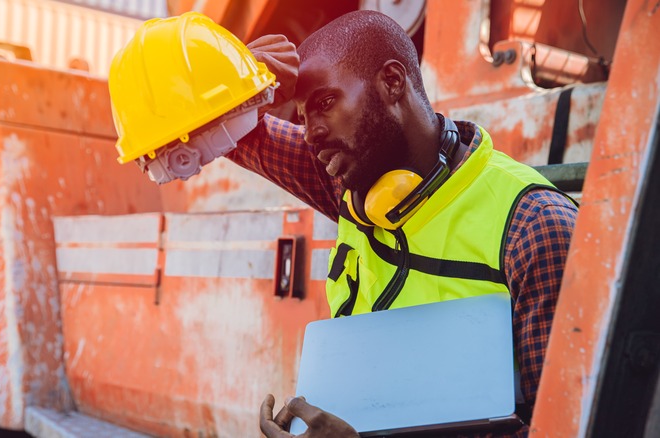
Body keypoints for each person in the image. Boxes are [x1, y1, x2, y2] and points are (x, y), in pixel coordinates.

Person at [229, 10, 578, 438]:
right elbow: (228, 134)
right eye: (301, 117)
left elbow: (569, 428)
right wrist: (232, 75)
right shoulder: (349, 185)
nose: (308, 133)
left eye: (323, 104)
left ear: (393, 83)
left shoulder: (533, 228)